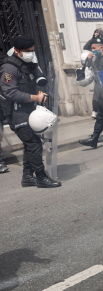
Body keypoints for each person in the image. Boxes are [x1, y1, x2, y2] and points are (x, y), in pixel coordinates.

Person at [0, 36, 60, 187]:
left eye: (32, 51)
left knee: (30, 144)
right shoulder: (9, 68)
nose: (30, 54)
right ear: (16, 51)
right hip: (17, 113)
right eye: (27, 51)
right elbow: (10, 92)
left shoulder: (27, 64)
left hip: (30, 111)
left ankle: (27, 176)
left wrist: (40, 94)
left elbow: (34, 82)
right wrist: (35, 98)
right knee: (34, 144)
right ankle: (41, 177)